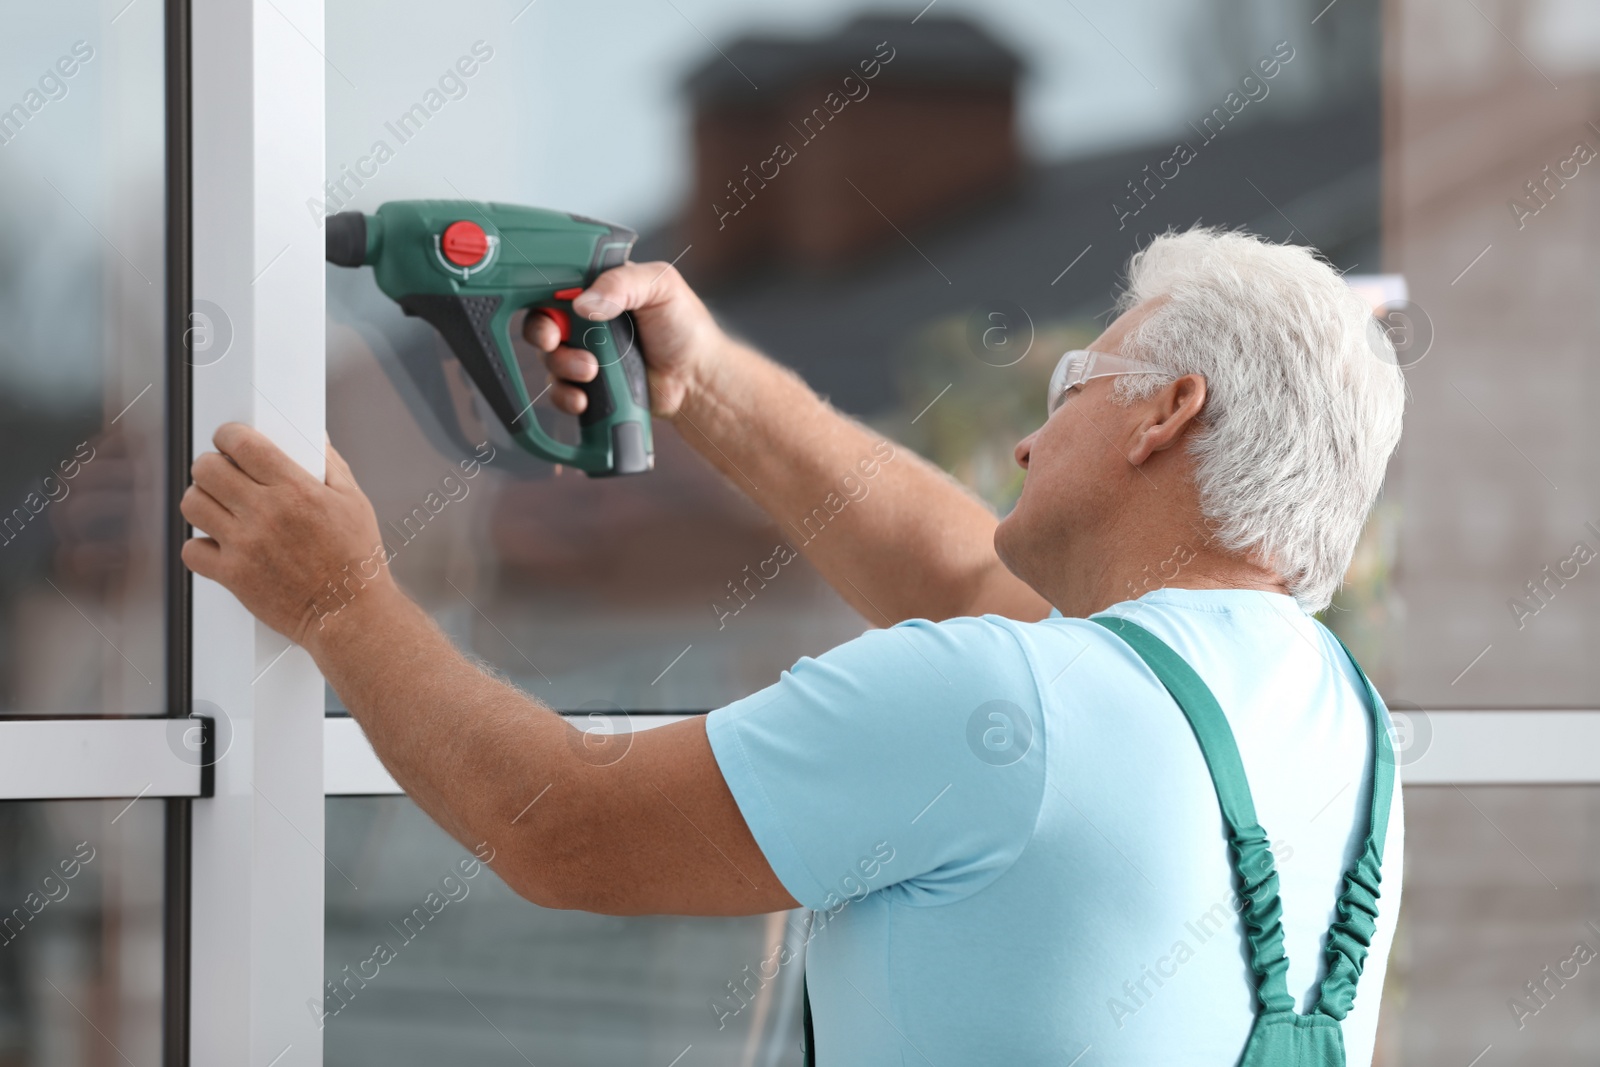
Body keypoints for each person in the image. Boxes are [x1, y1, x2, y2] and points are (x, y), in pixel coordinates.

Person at [180, 226, 1405, 1065]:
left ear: (1167, 413)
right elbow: (961, 569)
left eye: (1071, 387)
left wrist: (338, 597)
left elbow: (566, 825)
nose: (1028, 443)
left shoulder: (1011, 704)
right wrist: (701, 379)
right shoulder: (1336, 709)